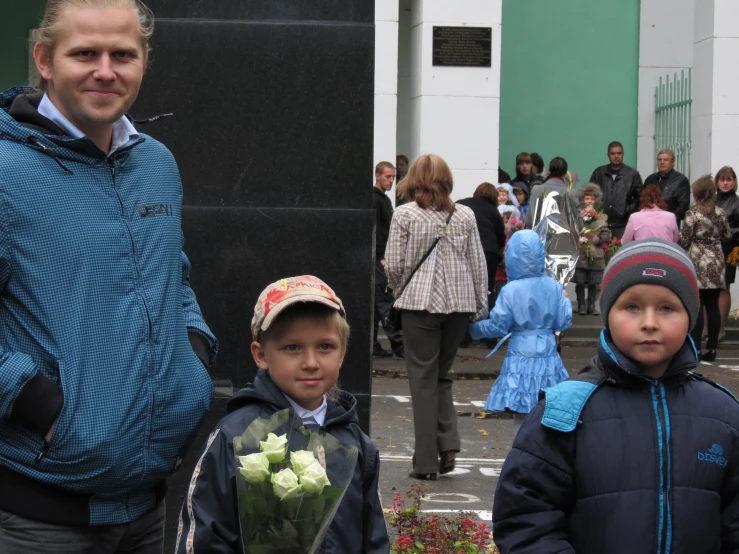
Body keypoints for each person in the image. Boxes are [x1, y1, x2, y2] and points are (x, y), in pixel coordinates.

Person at [0, 0, 218, 551]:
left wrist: (191, 359)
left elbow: (175, 278)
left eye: (123, 54)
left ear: (143, 60)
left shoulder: (157, 164)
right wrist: (36, 402)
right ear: (44, 59)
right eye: (84, 53)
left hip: (147, 502)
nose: (105, 70)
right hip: (39, 514)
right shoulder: (6, 171)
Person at [492, 238, 739, 554]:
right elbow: (525, 519)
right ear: (607, 314)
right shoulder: (563, 412)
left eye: (667, 308)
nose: (649, 323)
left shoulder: (724, 414)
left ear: (691, 316)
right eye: (632, 307)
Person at [175, 276, 389, 553]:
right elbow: (204, 537)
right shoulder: (235, 437)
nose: (310, 363)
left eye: (325, 346)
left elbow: (373, 537)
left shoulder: (356, 443)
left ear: (342, 353)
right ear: (261, 355)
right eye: (292, 347)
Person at [385, 154, 488, 480]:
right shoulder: (464, 215)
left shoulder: (404, 215)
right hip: (459, 305)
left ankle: (427, 462)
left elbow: (395, 264)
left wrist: (400, 290)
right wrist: (480, 305)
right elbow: (478, 263)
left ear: (413, 179)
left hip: (419, 306)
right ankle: (449, 443)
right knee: (442, 375)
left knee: (423, 381)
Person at [469, 230, 571, 437]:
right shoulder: (553, 285)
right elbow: (563, 321)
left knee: (521, 410)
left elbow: (498, 326)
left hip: (520, 355)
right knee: (547, 406)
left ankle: (522, 452)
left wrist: (472, 330)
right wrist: (565, 299)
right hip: (548, 353)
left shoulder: (511, 289)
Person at [680, 175, 731, 361]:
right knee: (713, 305)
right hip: (716, 260)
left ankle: (696, 347)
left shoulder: (692, 215)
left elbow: (685, 240)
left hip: (698, 260)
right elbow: (727, 235)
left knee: (698, 304)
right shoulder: (720, 213)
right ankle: (712, 348)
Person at [457, 183, 506, 322]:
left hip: (465, 250)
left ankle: (464, 336)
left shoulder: (461, 204)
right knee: (488, 289)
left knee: (465, 289)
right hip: (488, 252)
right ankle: (488, 333)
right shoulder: (493, 210)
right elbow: (500, 236)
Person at [372, 161, 404, 358]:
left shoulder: (382, 199)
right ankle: (399, 345)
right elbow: (376, 231)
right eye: (387, 176)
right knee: (385, 301)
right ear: (377, 175)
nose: (391, 180)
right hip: (378, 259)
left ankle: (374, 345)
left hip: (379, 258)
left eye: (393, 176)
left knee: (378, 302)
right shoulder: (377, 200)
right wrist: (381, 257)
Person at [588, 141, 644, 238]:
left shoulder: (632, 174)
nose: (616, 156)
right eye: (613, 153)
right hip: (601, 224)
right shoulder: (599, 173)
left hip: (624, 224)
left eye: (619, 153)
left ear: (623, 154)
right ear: (608, 155)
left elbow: (640, 198)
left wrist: (627, 209)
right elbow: (590, 195)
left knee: (622, 251)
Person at [573, 183, 611, 315]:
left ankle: (591, 306)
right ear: (582, 200)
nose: (589, 201)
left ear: (596, 200)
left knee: (594, 282)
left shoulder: (601, 217)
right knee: (580, 281)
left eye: (592, 198)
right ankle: (581, 306)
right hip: (581, 253)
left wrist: (597, 239)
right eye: (587, 198)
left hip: (596, 254)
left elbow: (606, 234)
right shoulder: (577, 216)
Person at [715, 166, 739, 341]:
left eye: (728, 179)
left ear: (734, 182)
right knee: (708, 290)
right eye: (722, 179)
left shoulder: (737, 203)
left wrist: (725, 232)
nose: (725, 183)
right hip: (709, 249)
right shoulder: (712, 200)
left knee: (724, 288)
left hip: (728, 248)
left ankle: (721, 328)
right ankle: (707, 329)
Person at [644, 148, 691, 226]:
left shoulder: (680, 180)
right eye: (659, 160)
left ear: (672, 162)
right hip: (648, 223)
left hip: (669, 223)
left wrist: (666, 218)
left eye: (665, 160)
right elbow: (642, 201)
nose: (662, 162)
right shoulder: (650, 179)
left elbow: (683, 207)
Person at [525, 156, 573, 227]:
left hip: (540, 236)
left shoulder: (536, 190)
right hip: (564, 237)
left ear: (549, 170)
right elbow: (578, 224)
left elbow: (529, 220)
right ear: (565, 173)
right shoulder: (571, 193)